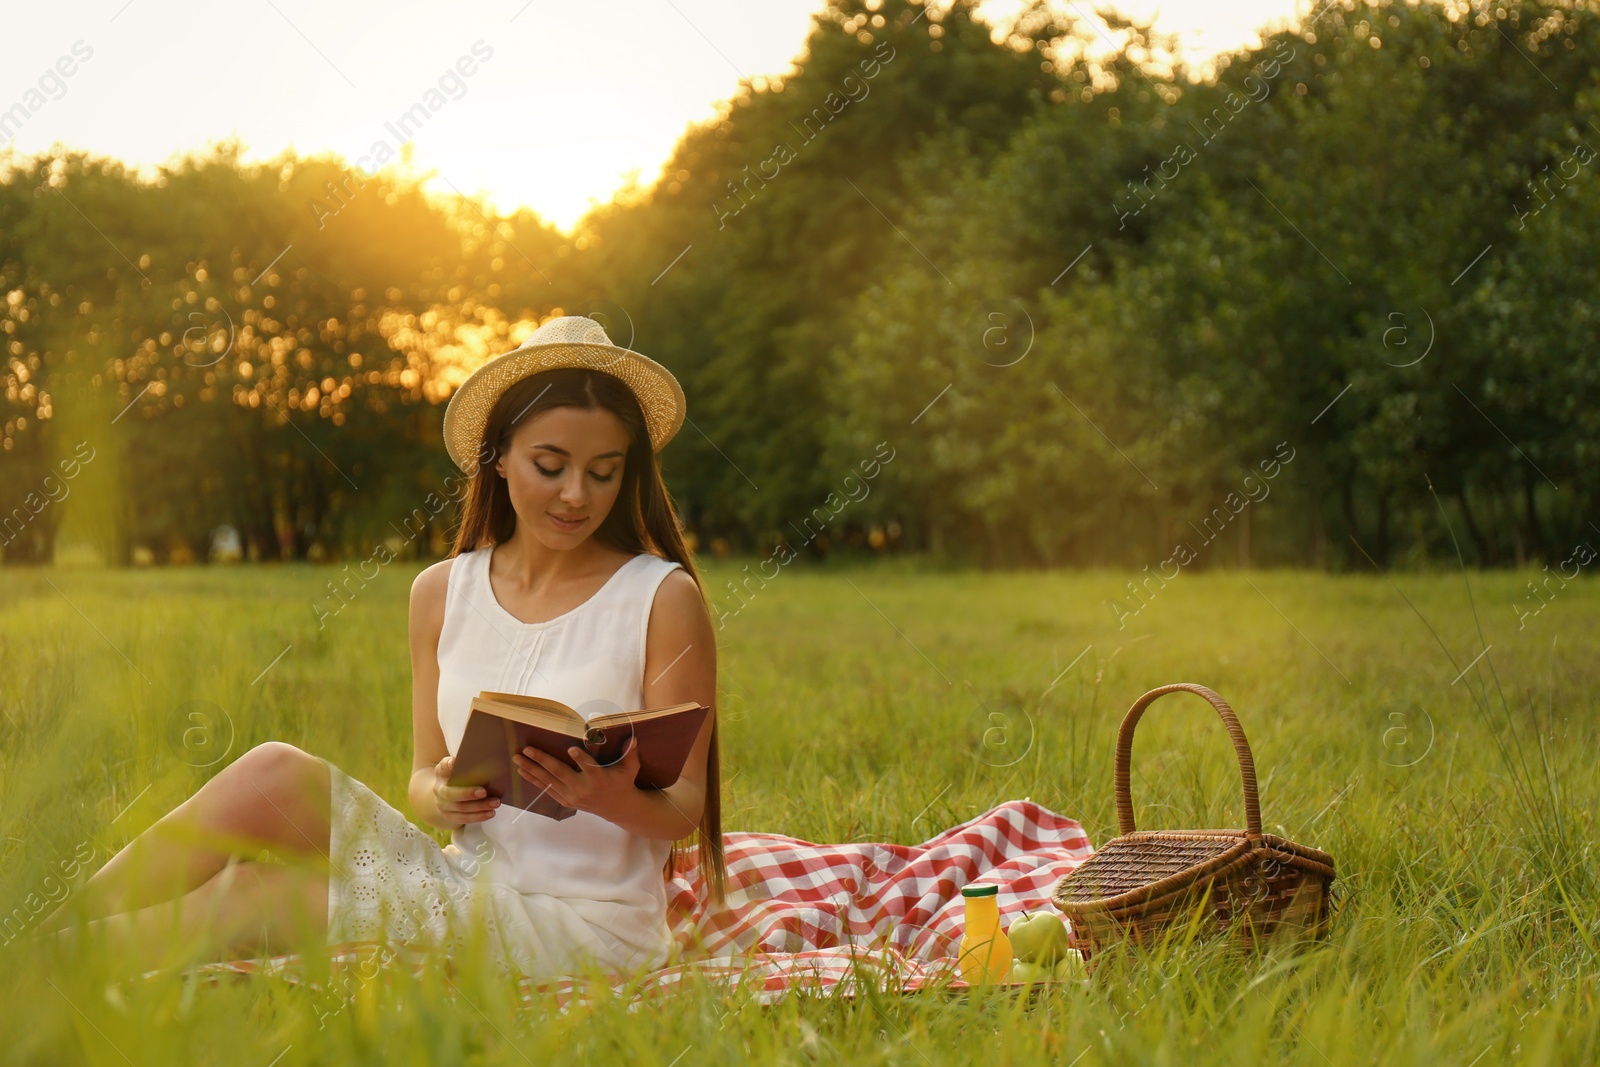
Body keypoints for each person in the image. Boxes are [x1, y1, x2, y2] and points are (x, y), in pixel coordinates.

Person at [39, 315, 727, 980]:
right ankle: (41, 941)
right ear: (500, 458)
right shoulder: (441, 591)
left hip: (587, 929)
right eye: (551, 465)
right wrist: (445, 793)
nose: (577, 494)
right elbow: (424, 775)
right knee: (271, 772)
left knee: (260, 892)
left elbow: (684, 804)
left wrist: (607, 795)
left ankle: (32, 976)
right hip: (466, 881)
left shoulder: (660, 598)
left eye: (603, 471)